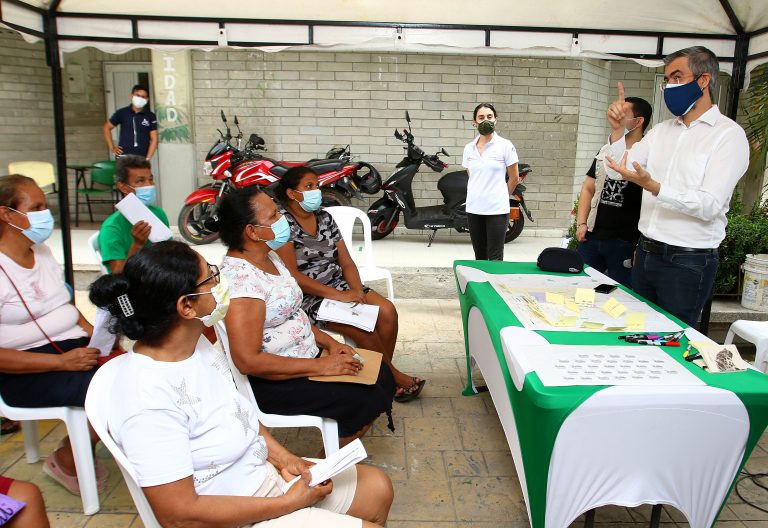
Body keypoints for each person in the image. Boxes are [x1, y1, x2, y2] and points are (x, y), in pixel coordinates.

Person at [89, 240, 393, 527]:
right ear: (187, 307)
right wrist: (289, 503)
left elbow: (240, 415)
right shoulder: (146, 398)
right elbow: (178, 515)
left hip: (262, 480)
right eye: (211, 277)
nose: (222, 284)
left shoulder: (196, 345)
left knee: (377, 488)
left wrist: (285, 459)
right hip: (228, 515)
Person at [217, 187, 395, 445]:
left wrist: (330, 344)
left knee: (380, 373)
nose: (282, 219)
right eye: (273, 216)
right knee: (364, 396)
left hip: (306, 357)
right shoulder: (242, 282)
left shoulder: (270, 258)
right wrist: (322, 367)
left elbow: (294, 313)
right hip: (275, 381)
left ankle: (341, 447)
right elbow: (248, 361)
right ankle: (326, 471)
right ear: (252, 232)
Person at [604, 46, 749, 326]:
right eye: (668, 79)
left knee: (673, 341)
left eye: (677, 77)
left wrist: (655, 187)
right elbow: (616, 172)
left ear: (703, 80)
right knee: (638, 331)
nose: (670, 85)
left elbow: (710, 205)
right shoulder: (661, 131)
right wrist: (618, 130)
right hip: (646, 252)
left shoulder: (728, 136)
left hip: (687, 260)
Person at [275, 166, 425, 403]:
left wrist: (355, 290)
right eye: (309, 187)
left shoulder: (325, 217)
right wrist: (337, 295)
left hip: (338, 284)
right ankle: (393, 378)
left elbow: (345, 261)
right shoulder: (282, 224)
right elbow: (293, 276)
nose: (317, 191)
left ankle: (379, 376)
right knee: (362, 328)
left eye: (317, 185)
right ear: (292, 194)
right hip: (309, 295)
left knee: (387, 311)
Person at [0, 175, 105, 495]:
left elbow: (65, 304)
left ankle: (79, 445)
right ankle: (67, 457)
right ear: (7, 214)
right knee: (109, 389)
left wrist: (94, 335)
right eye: (36, 207)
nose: (45, 215)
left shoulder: (42, 251)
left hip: (69, 349)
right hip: (26, 369)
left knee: (137, 368)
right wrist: (62, 364)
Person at [575, 97, 653, 287]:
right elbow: (588, 188)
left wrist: (641, 246)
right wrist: (581, 223)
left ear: (639, 121)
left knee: (619, 296)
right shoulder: (606, 150)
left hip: (626, 242)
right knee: (579, 287)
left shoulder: (649, 154)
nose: (617, 116)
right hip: (592, 237)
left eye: (623, 113)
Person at [462, 102, 520, 261]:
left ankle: (495, 285)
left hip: (497, 210)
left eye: (489, 116)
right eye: (481, 117)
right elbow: (471, 174)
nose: (485, 120)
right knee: (479, 256)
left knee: (495, 257)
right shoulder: (469, 148)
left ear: (496, 120)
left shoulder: (505, 146)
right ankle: (480, 285)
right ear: (474, 122)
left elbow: (514, 178)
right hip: (474, 208)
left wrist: (500, 195)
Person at [98, 155, 170, 274]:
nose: (149, 185)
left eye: (150, 179)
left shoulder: (158, 213)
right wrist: (137, 244)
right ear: (123, 187)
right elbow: (117, 274)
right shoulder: (112, 227)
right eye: (141, 181)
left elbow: (168, 254)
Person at [102, 84, 158, 160]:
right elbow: (106, 128)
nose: (140, 98)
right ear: (132, 95)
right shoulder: (122, 113)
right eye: (137, 95)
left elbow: (154, 138)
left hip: (142, 157)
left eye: (143, 97)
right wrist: (112, 148)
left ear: (147, 99)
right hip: (123, 156)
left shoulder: (150, 116)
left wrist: (147, 158)